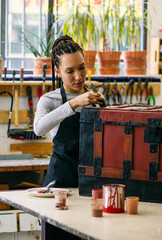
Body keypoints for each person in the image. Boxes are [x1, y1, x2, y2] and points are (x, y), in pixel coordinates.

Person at [34, 35, 105, 188]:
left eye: (81, 68)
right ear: (58, 72)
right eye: (70, 71)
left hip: (91, 183)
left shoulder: (96, 98)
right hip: (59, 184)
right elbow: (38, 129)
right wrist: (73, 104)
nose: (78, 77)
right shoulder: (49, 100)